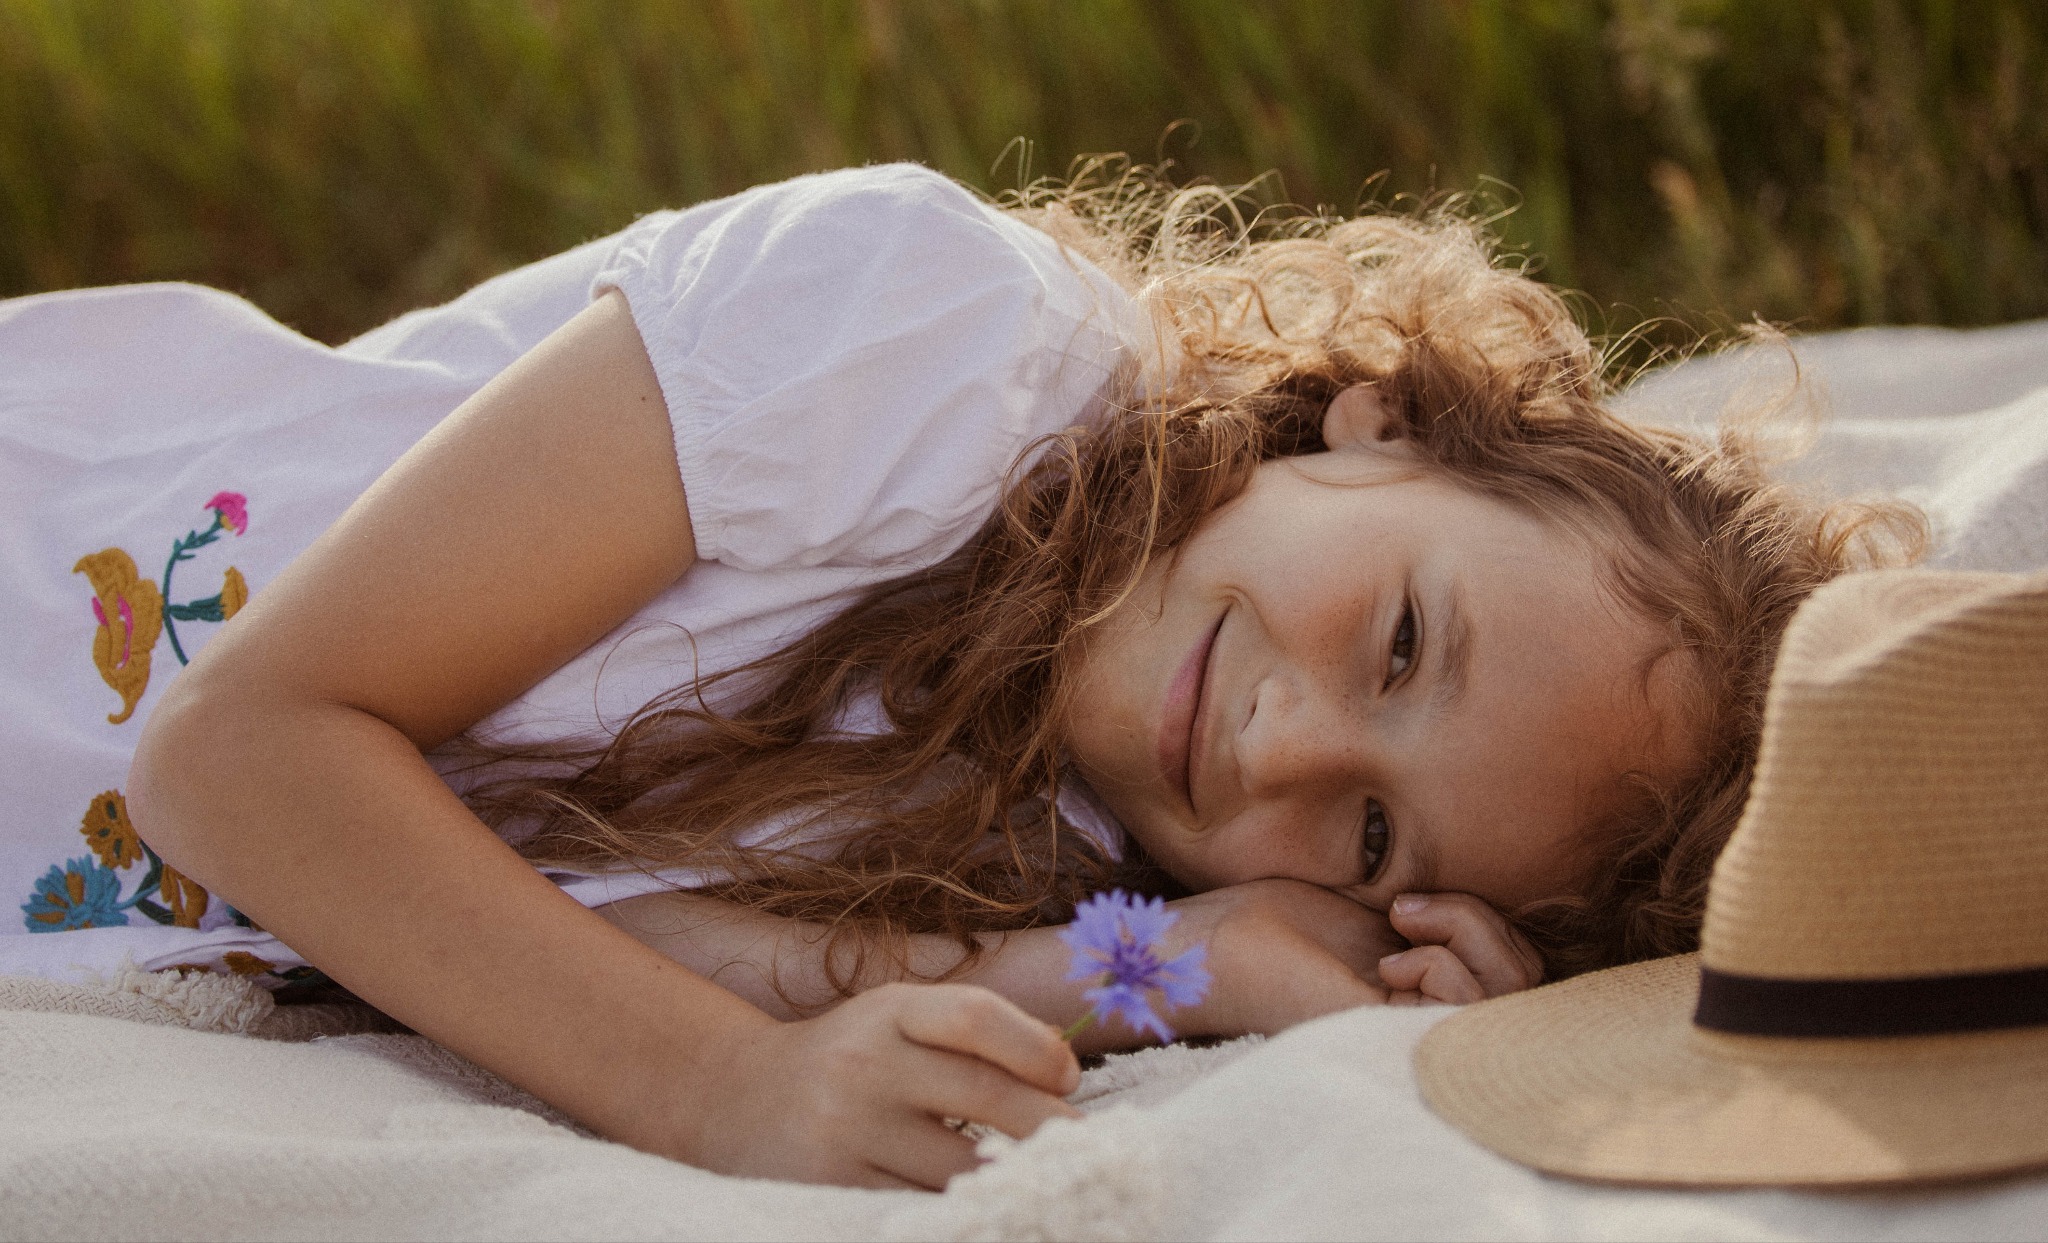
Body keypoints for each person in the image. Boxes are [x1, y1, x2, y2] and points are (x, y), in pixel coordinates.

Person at [0, 161, 1913, 1188]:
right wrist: (723, 1102)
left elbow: (583, 930)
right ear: (1380, 421)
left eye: (1373, 836)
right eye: (1404, 636)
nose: (1286, 745)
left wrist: (1193, 972)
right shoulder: (925, 341)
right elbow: (239, 759)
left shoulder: (1066, 843)